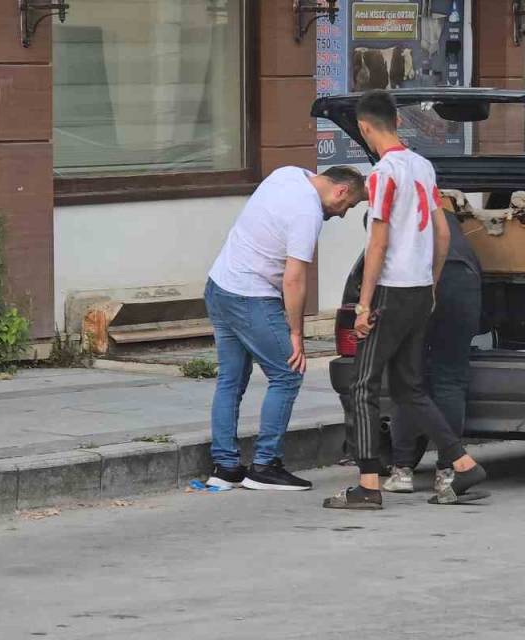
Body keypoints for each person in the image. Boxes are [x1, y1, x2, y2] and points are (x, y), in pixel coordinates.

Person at [324, 90, 488, 510]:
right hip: (419, 289)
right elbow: (444, 233)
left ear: (364, 127)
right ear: (397, 121)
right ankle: (463, 463)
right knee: (410, 388)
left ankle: (368, 486)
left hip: (391, 291)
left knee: (363, 386)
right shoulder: (422, 166)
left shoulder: (383, 174)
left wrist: (363, 306)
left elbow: (377, 243)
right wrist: (431, 286)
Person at [205, 165, 367, 491]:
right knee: (288, 372)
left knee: (231, 379)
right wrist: (296, 334)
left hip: (219, 286)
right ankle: (265, 465)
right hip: (250, 296)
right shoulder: (307, 213)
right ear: (340, 192)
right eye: (348, 206)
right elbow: (294, 279)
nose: (343, 215)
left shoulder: (289, 174)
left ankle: (225, 467)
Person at [381, 205, 482, 496]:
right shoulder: (448, 219)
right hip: (461, 284)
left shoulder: (389, 212)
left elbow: (382, 257)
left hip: (414, 286)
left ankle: (402, 471)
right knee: (449, 380)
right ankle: (447, 472)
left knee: (408, 382)